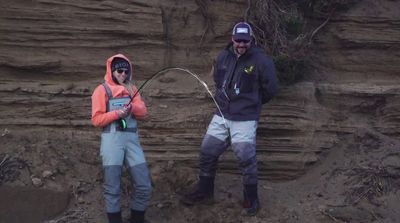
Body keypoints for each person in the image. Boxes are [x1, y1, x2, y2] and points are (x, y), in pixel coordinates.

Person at [180, 22, 278, 216]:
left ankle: (251, 198)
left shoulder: (262, 61)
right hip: (222, 114)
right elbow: (218, 80)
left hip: (245, 118)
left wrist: (252, 103)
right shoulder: (223, 57)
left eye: (245, 41)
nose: (241, 44)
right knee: (207, 151)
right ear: (232, 39)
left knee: (245, 157)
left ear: (251, 40)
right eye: (238, 40)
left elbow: (271, 89)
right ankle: (205, 191)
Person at [91, 54, 152, 223]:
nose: (123, 74)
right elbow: (96, 119)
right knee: (112, 188)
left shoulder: (132, 89)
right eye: (119, 70)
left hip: (132, 141)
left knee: (144, 185)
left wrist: (132, 107)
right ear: (111, 70)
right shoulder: (101, 90)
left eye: (126, 71)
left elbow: (143, 111)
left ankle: (137, 218)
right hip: (111, 142)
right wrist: (117, 113)